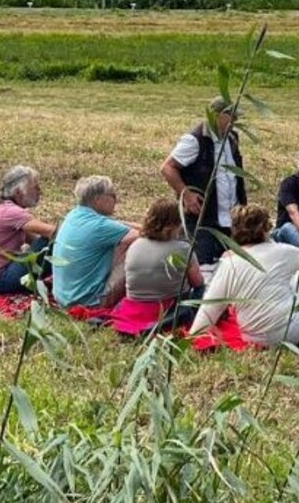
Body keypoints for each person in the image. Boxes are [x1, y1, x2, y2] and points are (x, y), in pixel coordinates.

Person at [189, 204, 299, 346]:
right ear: (265, 229)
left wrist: (194, 335)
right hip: (289, 331)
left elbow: (210, 307)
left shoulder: (229, 263)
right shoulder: (283, 251)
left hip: (252, 336)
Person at [161, 96, 246, 266]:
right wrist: (187, 195)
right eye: (231, 116)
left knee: (233, 266)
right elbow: (167, 168)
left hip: (231, 219)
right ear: (215, 115)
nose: (234, 121)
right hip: (203, 218)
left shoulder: (232, 139)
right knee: (203, 264)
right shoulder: (194, 140)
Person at [110, 197, 205, 336]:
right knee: (202, 290)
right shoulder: (183, 249)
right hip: (166, 308)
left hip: (134, 306)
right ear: (175, 224)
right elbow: (198, 282)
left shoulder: (135, 245)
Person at [51, 175, 137, 309]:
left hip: (63, 298)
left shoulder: (73, 215)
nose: (116, 199)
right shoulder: (100, 226)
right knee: (138, 247)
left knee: (122, 243)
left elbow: (118, 225)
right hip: (88, 302)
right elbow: (147, 234)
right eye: (112, 195)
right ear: (98, 199)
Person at [0, 165, 60, 295]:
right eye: (35, 188)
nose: (40, 191)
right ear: (19, 192)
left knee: (47, 244)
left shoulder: (3, 208)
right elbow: (53, 233)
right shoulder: (10, 212)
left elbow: (33, 241)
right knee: (51, 244)